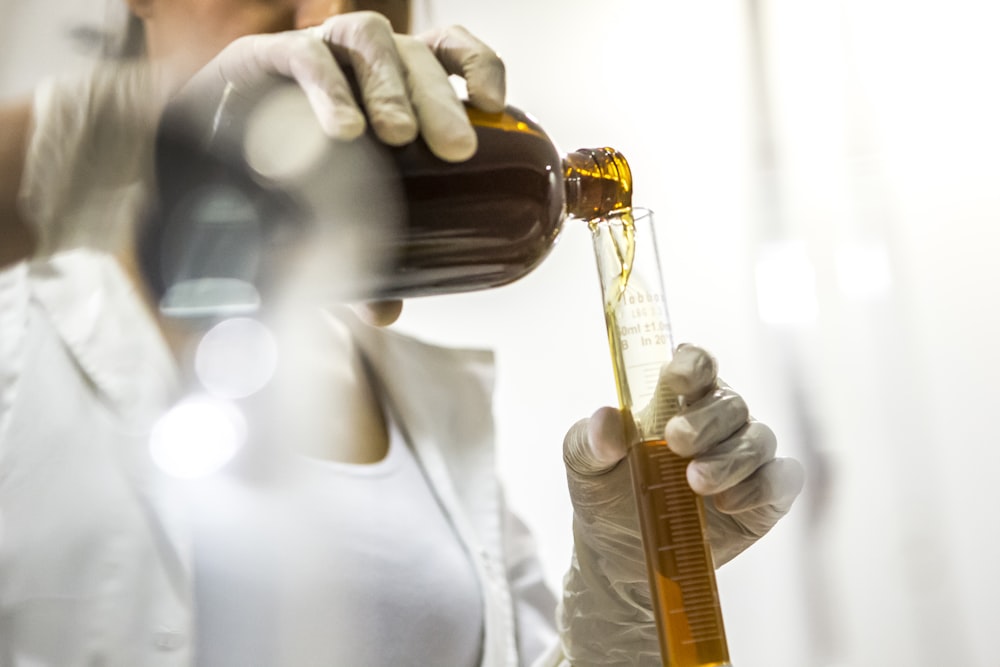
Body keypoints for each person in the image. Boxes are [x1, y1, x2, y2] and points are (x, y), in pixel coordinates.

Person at [0, 1, 805, 665]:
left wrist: (626, 601)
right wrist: (148, 134)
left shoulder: (429, 407)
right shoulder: (19, 323)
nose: (326, 14)